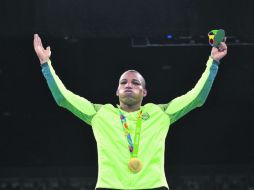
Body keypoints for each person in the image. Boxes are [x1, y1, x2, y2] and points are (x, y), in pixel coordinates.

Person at [33, 33, 227, 190]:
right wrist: (45, 65)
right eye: (123, 82)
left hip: (153, 187)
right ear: (117, 91)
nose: (128, 85)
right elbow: (63, 98)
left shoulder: (161, 114)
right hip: (109, 187)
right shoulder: (100, 114)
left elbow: (197, 97)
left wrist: (213, 62)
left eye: (135, 83)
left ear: (144, 92)